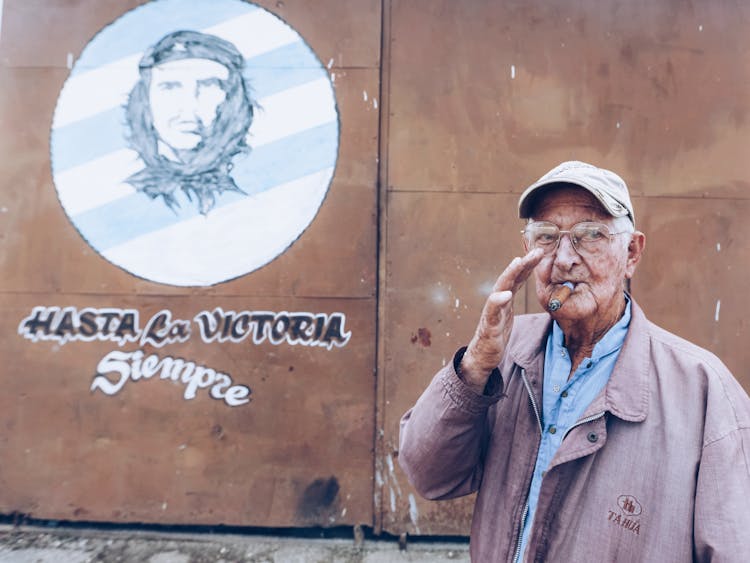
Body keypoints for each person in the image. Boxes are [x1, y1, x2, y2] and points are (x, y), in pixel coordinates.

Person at [398, 161, 750, 562]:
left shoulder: (703, 390)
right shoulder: (505, 352)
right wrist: (475, 365)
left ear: (631, 253)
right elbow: (429, 475)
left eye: (590, 235)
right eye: (546, 237)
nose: (563, 259)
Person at [125, 30, 256, 215]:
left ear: (234, 100)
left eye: (208, 85)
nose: (189, 107)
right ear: (145, 101)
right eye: (170, 87)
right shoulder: (126, 195)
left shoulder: (255, 183)